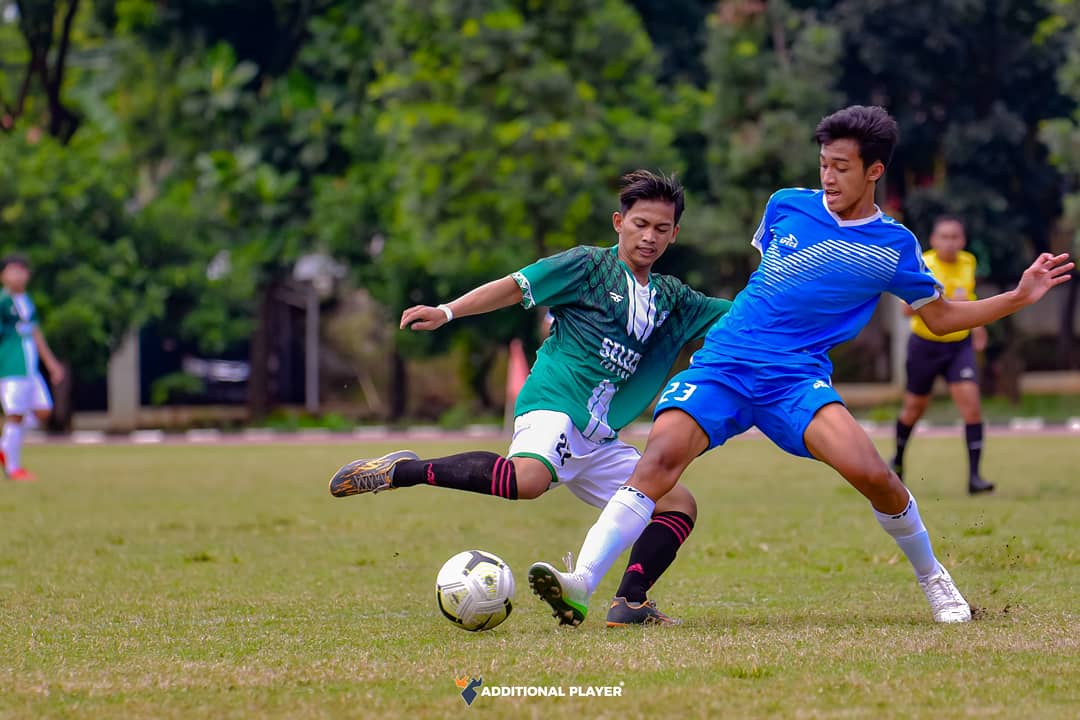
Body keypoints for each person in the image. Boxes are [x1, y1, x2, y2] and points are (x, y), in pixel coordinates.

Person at [527, 106, 1073, 626]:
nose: (829, 178)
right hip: (725, 362)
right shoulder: (786, 204)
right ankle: (581, 583)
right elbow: (773, 285)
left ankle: (933, 576)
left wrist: (1019, 298)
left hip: (794, 377)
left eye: (842, 167)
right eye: (823, 165)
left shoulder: (894, 246)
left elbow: (945, 315)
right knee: (658, 461)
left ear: (874, 170)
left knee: (874, 475)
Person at [328, 170, 732, 626]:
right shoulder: (587, 267)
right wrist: (447, 311)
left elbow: (744, 316)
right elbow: (517, 285)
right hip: (556, 403)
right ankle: (402, 471)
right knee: (529, 481)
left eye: (661, 229)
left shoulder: (673, 299)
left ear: (675, 234)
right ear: (618, 222)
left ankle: (630, 602)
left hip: (599, 437)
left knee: (677, 503)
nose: (649, 237)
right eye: (640, 224)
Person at [892, 216, 994, 494]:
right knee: (914, 409)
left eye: (955, 237)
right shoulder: (922, 263)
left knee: (972, 406)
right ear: (934, 240)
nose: (950, 243)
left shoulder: (968, 262)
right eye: (944, 237)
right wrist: (942, 301)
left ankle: (975, 478)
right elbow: (905, 310)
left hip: (959, 345)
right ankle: (898, 463)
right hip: (925, 345)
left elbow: (970, 302)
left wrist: (978, 328)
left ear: (962, 240)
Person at [0, 254, 65, 482]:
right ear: (3, 275)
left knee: (43, 410)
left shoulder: (27, 301)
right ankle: (12, 467)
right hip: (11, 366)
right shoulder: (3, 302)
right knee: (15, 415)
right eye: (12, 270)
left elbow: (36, 334)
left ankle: (5, 445)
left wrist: (52, 364)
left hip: (31, 368)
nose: (18, 275)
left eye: (22, 270)